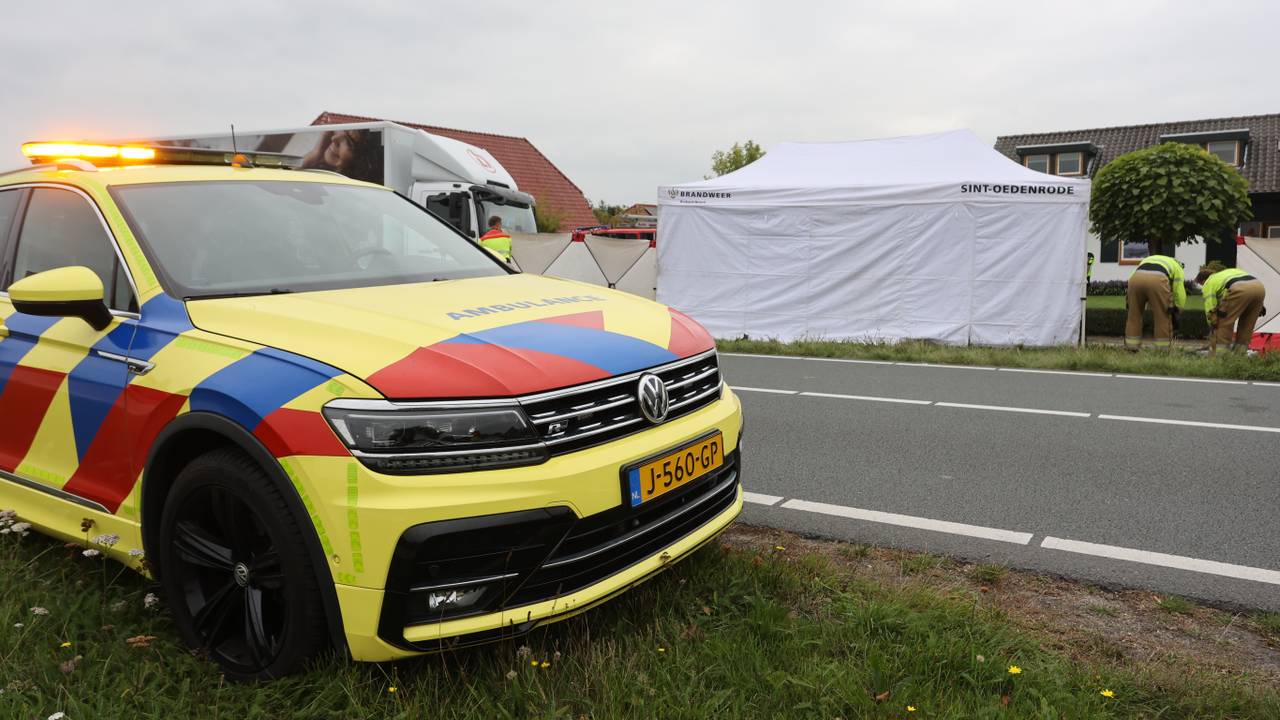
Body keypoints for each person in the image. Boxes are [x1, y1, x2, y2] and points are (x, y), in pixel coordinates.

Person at [1196, 265, 1267, 354]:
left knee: (1223, 323)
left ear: (1203, 280)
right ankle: (1240, 355)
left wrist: (1212, 324)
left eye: (1200, 284)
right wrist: (1260, 305)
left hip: (1239, 289)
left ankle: (1222, 356)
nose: (1202, 286)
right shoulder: (1227, 273)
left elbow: (1210, 306)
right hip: (1259, 288)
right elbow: (1247, 286)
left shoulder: (1209, 282)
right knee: (1247, 325)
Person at [1124, 254, 1185, 350]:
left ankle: (1131, 347)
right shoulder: (1177, 267)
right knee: (1163, 316)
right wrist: (1178, 309)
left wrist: (1129, 301)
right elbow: (1179, 291)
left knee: (1134, 316)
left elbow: (1136, 278)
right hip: (1158, 280)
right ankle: (1162, 350)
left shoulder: (1148, 259)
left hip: (1135, 280)